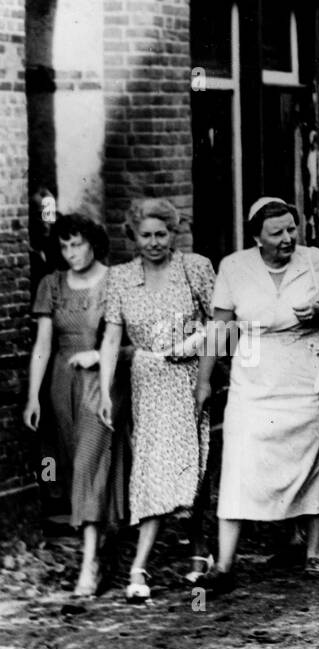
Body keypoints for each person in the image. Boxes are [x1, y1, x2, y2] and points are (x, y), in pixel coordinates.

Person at [194, 198, 319, 592]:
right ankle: (225, 564)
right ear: (256, 237)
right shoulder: (234, 267)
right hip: (255, 380)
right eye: (276, 232)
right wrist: (205, 380)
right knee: (240, 466)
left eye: (291, 229)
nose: (287, 239)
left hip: (305, 376)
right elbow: (220, 329)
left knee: (312, 463)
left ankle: (314, 550)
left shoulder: (315, 260)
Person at [97, 198, 214, 602]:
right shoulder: (119, 278)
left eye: (161, 234)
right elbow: (112, 337)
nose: (154, 242)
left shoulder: (195, 268)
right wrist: (104, 390)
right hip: (147, 380)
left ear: (173, 233)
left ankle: (197, 548)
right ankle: (143, 563)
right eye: (145, 235)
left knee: (189, 466)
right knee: (151, 468)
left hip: (188, 377)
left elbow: (222, 325)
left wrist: (198, 362)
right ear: (133, 237)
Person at [24, 213, 127, 595]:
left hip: (100, 383)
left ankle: (89, 564)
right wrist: (34, 395)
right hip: (60, 384)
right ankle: (100, 541)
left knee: (89, 464)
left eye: (77, 243)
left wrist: (98, 357)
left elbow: (129, 337)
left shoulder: (116, 281)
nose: (71, 253)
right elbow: (43, 344)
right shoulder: (51, 284)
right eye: (64, 246)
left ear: (93, 243)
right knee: (66, 466)